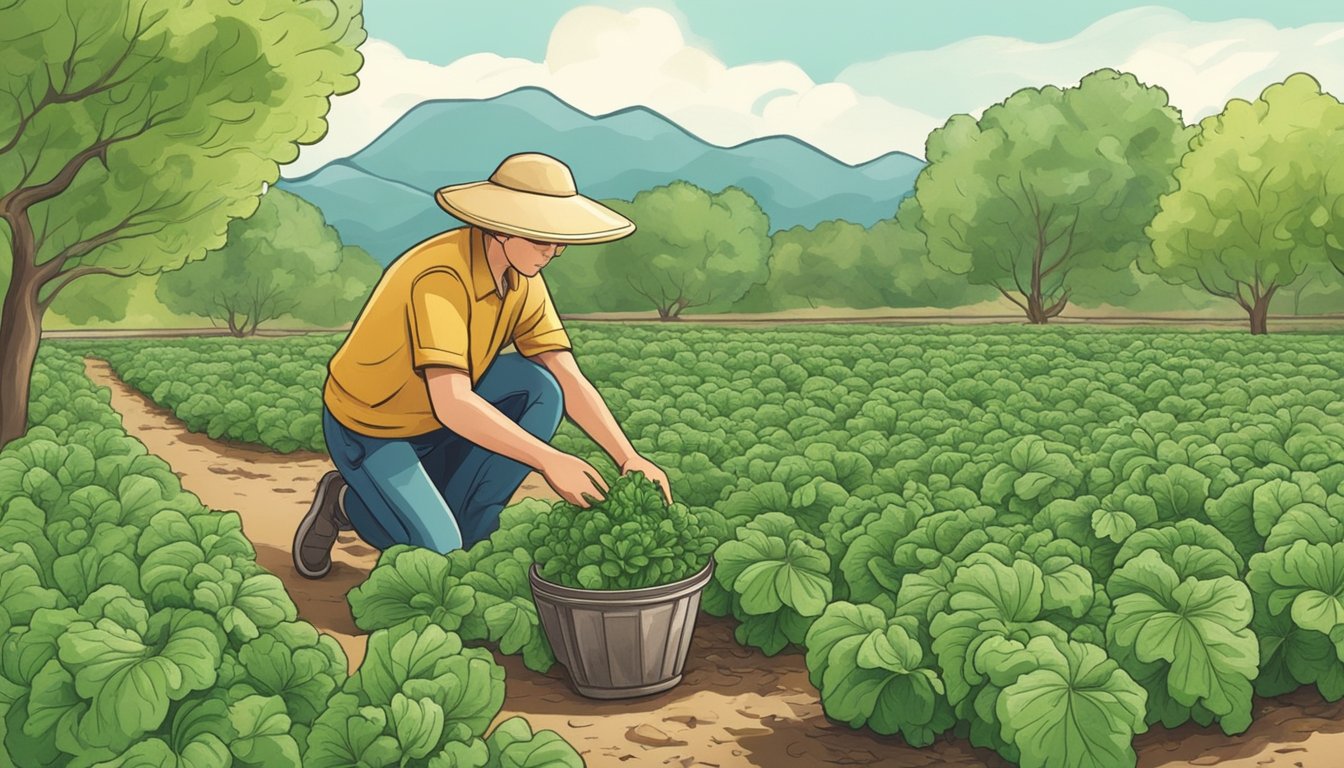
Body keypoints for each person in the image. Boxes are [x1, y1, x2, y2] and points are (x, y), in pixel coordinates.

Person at [292, 152, 674, 579]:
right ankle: (345, 503)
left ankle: (443, 512)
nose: (555, 252)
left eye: (558, 239)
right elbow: (452, 401)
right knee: (439, 550)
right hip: (373, 426)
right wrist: (550, 460)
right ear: (501, 228)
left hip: (436, 421)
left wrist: (628, 457)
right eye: (542, 239)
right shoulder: (440, 276)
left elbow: (566, 373)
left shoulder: (523, 278)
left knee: (540, 388)